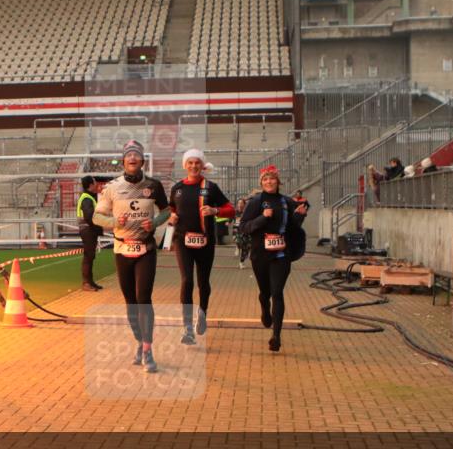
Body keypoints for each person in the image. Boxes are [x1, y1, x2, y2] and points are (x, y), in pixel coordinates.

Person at [92, 140, 170, 373]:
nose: (133, 159)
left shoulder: (154, 186)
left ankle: (148, 350)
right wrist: (115, 222)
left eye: (137, 155)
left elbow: (166, 211)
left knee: (143, 298)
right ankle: (139, 341)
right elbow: (97, 218)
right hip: (122, 249)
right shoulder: (112, 187)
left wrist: (154, 222)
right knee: (130, 302)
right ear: (124, 160)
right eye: (129, 156)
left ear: (142, 160)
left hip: (145, 249)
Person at [167, 148, 235, 344]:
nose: (193, 166)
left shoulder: (210, 187)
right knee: (187, 280)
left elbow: (230, 210)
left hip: (205, 241)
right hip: (183, 240)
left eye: (197, 162)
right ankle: (187, 328)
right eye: (190, 163)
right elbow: (171, 208)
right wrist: (171, 216)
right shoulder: (177, 188)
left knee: (202, 282)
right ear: (185, 165)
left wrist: (215, 210)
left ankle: (202, 313)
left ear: (202, 165)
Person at [239, 166, 308, 353]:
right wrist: (262, 218)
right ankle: (264, 307)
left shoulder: (287, 202)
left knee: (277, 292)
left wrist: (300, 215)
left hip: (281, 255)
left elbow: (294, 227)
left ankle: (276, 336)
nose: (269, 182)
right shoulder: (255, 202)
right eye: (265, 179)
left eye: (272, 179)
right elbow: (244, 227)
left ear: (278, 181)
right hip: (260, 255)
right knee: (266, 293)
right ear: (261, 183)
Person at [77, 175, 103, 291]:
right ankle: (86, 283)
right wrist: (97, 227)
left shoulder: (88, 197)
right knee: (88, 256)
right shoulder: (87, 198)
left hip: (88, 229)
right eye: (94, 182)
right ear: (90, 185)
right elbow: (89, 216)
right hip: (88, 229)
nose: (96, 184)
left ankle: (90, 282)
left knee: (90, 256)